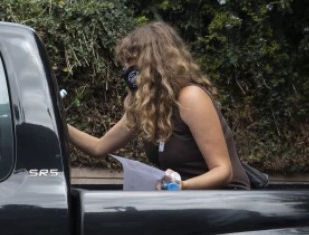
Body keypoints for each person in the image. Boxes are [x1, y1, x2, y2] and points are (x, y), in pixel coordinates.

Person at [67, 21, 250, 190]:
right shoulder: (146, 106)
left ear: (153, 62)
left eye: (131, 61)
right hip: (186, 198)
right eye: (124, 63)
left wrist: (180, 186)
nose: (126, 70)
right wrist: (55, 120)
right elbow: (99, 147)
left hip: (226, 200)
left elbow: (223, 171)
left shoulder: (191, 98)